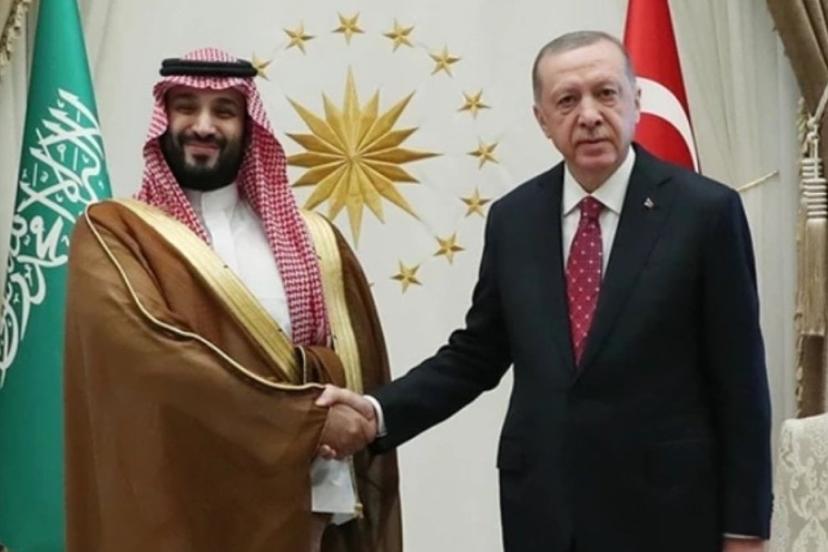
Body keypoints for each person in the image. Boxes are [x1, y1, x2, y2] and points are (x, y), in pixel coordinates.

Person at [317, 31, 772, 552]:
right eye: (567, 100)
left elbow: (741, 383)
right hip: (544, 512)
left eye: (606, 93)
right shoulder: (514, 218)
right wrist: (376, 412)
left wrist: (745, 529)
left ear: (636, 101)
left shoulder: (705, 213)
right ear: (542, 120)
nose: (590, 115)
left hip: (667, 515)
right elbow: (476, 355)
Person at [64, 48, 401, 552]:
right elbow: (154, 358)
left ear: (249, 126)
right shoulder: (117, 232)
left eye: (224, 111)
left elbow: (349, 369)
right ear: (163, 119)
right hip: (179, 501)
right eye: (186, 107)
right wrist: (307, 420)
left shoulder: (314, 241)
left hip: (297, 503)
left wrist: (340, 431)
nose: (203, 126)